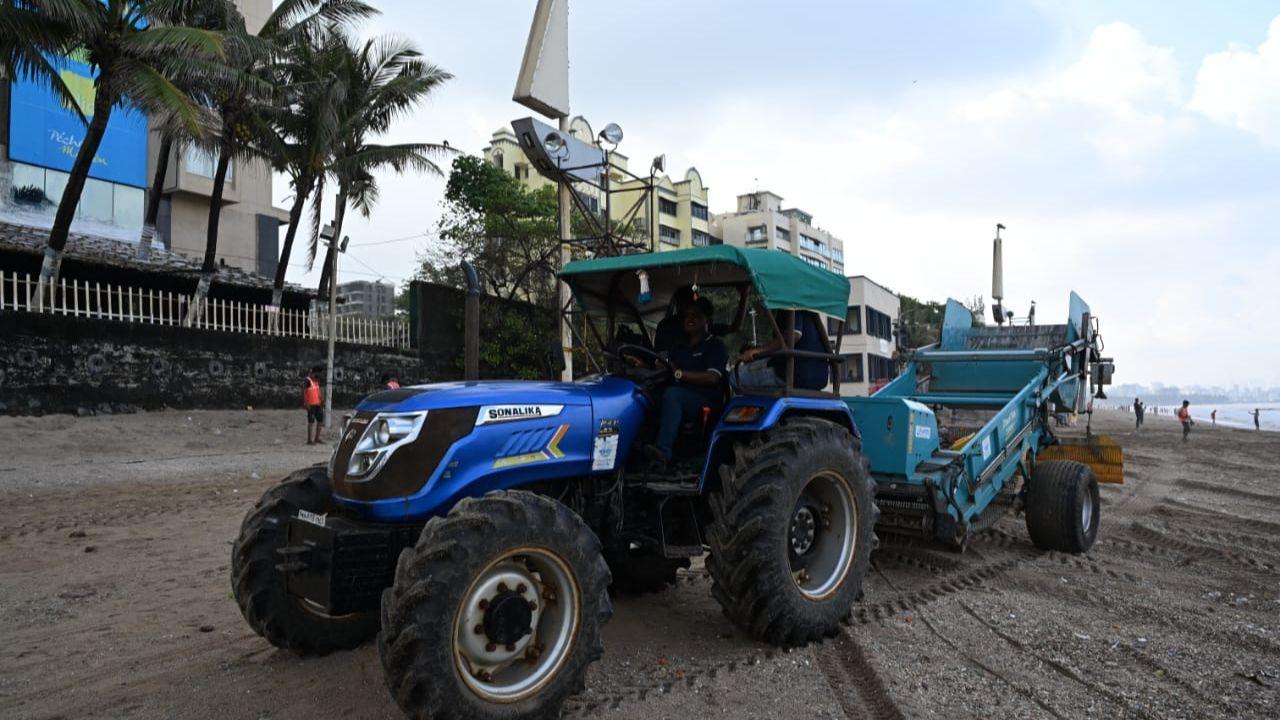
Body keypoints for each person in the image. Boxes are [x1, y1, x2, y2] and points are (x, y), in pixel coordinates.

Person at [644, 297, 727, 468]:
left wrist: (679, 374)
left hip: (706, 401)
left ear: (707, 320)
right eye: (687, 315)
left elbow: (713, 377)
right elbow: (665, 365)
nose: (690, 319)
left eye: (696, 315)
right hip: (680, 397)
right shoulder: (679, 347)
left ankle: (662, 453)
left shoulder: (715, 345)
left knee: (672, 395)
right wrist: (645, 364)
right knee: (644, 395)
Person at [734, 309, 829, 391]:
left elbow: (794, 335)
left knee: (734, 377)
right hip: (819, 378)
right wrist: (760, 349)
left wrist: (758, 351)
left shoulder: (789, 303)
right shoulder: (811, 312)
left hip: (792, 374)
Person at [653, 286, 696, 353]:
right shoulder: (665, 324)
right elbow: (659, 352)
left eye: (687, 303)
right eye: (680, 302)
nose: (684, 306)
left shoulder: (696, 326)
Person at [303, 366, 325, 445]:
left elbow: (318, 392)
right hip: (311, 405)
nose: (320, 375)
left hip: (318, 404)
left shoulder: (316, 381)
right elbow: (305, 393)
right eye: (319, 373)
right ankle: (309, 440)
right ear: (315, 373)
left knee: (320, 421)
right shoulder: (307, 380)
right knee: (311, 422)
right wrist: (306, 404)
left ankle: (317, 438)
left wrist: (322, 400)